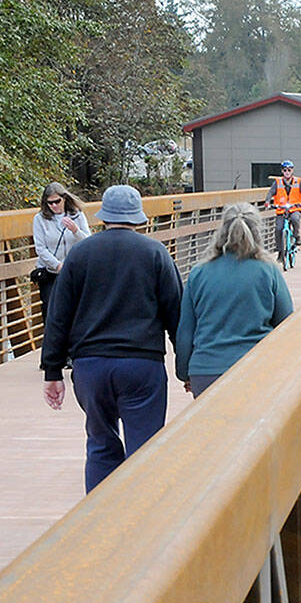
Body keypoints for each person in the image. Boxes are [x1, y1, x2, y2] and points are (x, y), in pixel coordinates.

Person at [41, 184, 182, 492]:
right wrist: (185, 368)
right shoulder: (155, 253)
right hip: (140, 366)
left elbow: (58, 316)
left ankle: (98, 522)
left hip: (91, 367)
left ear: (104, 216)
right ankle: (139, 525)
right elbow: (176, 315)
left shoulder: (80, 254)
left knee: (101, 444)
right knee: (144, 452)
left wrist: (52, 371)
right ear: (138, 218)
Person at [175, 204, 293, 398]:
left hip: (206, 371)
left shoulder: (198, 273)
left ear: (222, 230)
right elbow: (286, 324)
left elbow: (186, 331)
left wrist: (184, 373)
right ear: (257, 232)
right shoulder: (268, 271)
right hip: (256, 369)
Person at [31, 182, 90, 320]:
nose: (54, 206)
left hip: (73, 271)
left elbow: (88, 242)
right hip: (51, 272)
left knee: (75, 309)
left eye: (57, 201)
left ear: (64, 198)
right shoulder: (40, 219)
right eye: (50, 203)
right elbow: (40, 248)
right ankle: (52, 340)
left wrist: (76, 231)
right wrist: (57, 265)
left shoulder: (77, 215)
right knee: (51, 310)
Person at [267, 160, 301, 264]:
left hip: (295, 208)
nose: (287, 172)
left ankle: (296, 236)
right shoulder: (277, 182)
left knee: (295, 219)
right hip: (281, 209)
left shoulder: (298, 181)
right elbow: (270, 192)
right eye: (285, 170)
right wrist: (268, 202)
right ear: (282, 171)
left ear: (292, 170)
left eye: (289, 170)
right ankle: (280, 251)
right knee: (278, 228)